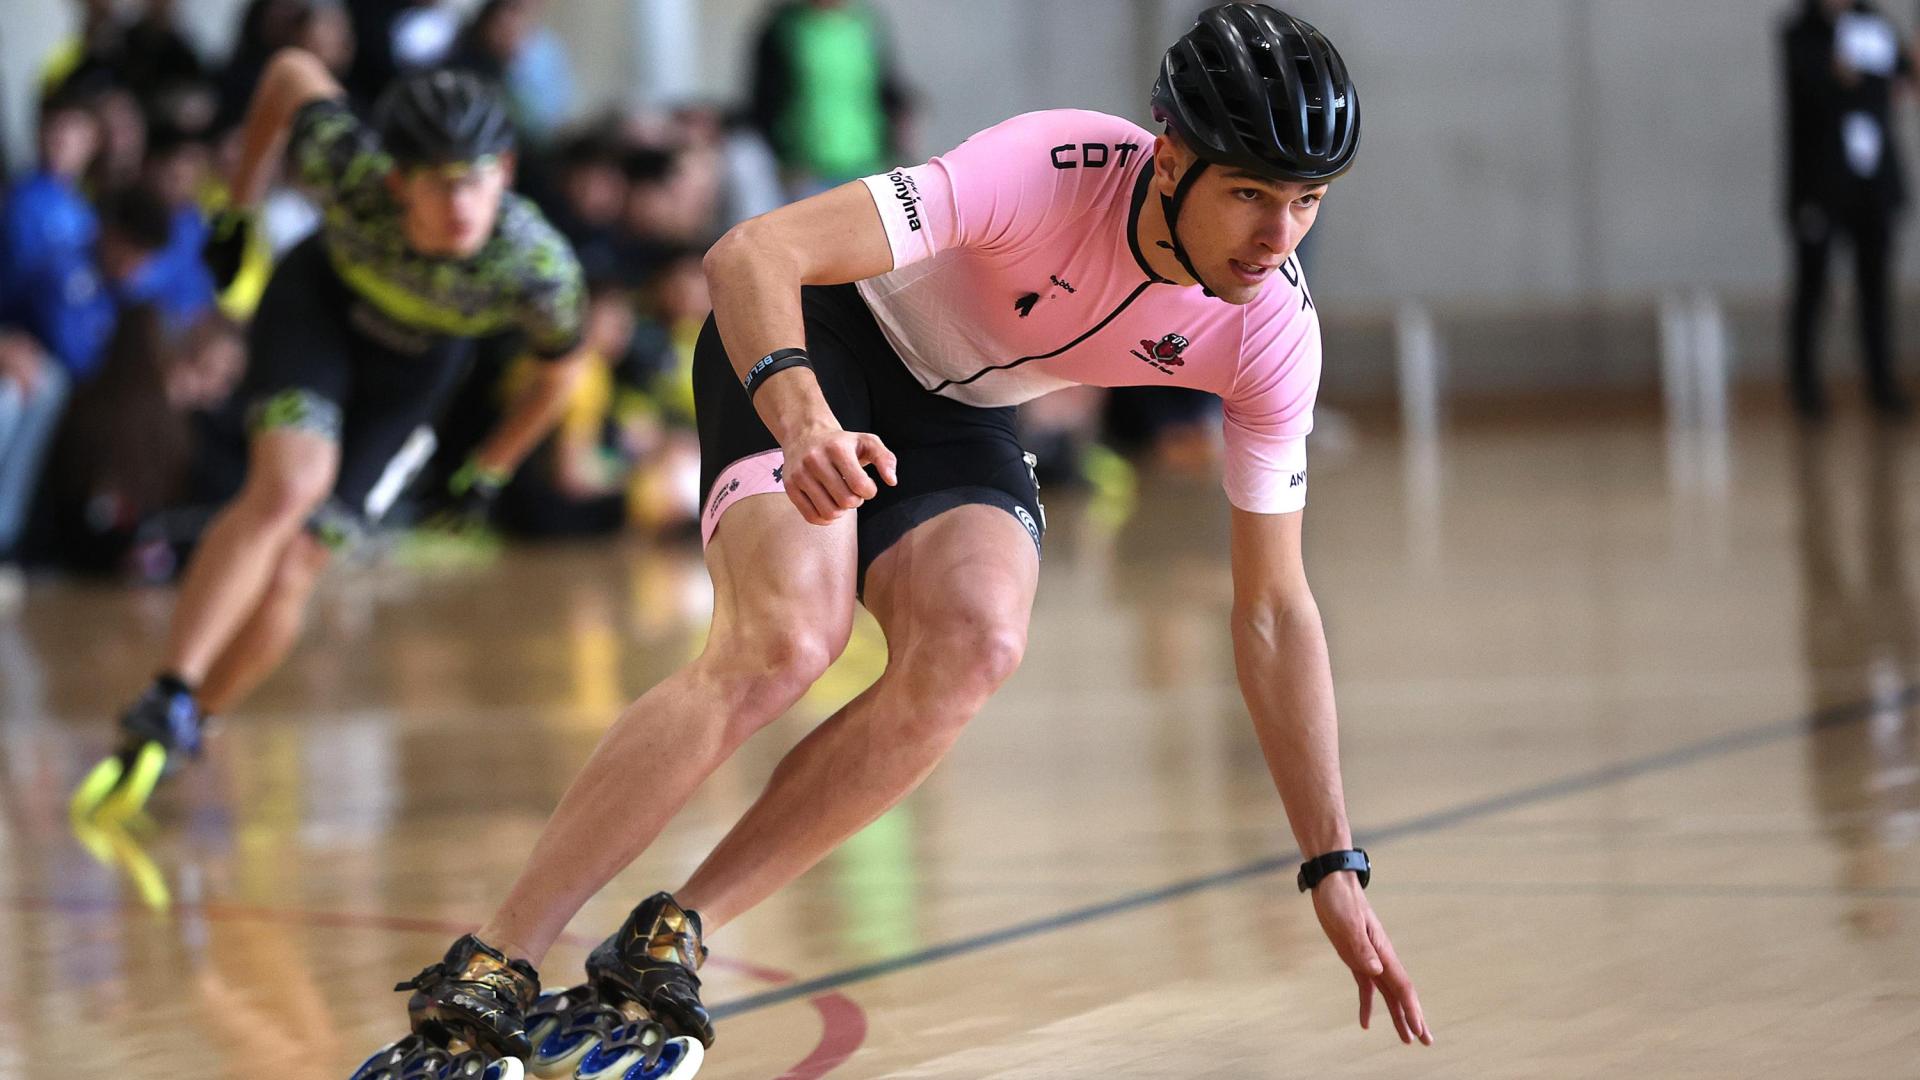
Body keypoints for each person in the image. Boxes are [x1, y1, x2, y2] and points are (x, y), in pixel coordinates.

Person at [349, 6, 1431, 1079]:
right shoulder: (1050, 166)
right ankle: (498, 954)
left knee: (977, 647)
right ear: (1172, 158)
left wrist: (1331, 860)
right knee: (786, 641)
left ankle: (669, 933)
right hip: (815, 336)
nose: (1278, 236)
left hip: (960, 413)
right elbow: (751, 253)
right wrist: (801, 412)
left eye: (1306, 202)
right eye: (1250, 194)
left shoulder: (1272, 330)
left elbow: (1274, 608)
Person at [70, 54, 589, 822]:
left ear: (506, 171)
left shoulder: (536, 265)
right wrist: (237, 209)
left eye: (476, 179)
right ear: (394, 180)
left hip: (414, 375)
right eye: (440, 182)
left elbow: (560, 379)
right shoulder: (346, 166)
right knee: (286, 487)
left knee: (298, 565)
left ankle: (191, 722)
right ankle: (169, 686)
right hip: (318, 313)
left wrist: (488, 469)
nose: (461, 203)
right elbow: (285, 73)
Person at [1782, 0, 1914, 418]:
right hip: (1821, 187)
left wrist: (1876, 77)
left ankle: (1881, 384)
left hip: (1872, 185)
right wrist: (1871, 82)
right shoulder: (1801, 34)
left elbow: (1901, 79)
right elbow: (1822, 86)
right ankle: (1806, 389)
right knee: (1813, 289)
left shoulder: (1873, 24)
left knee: (1875, 289)